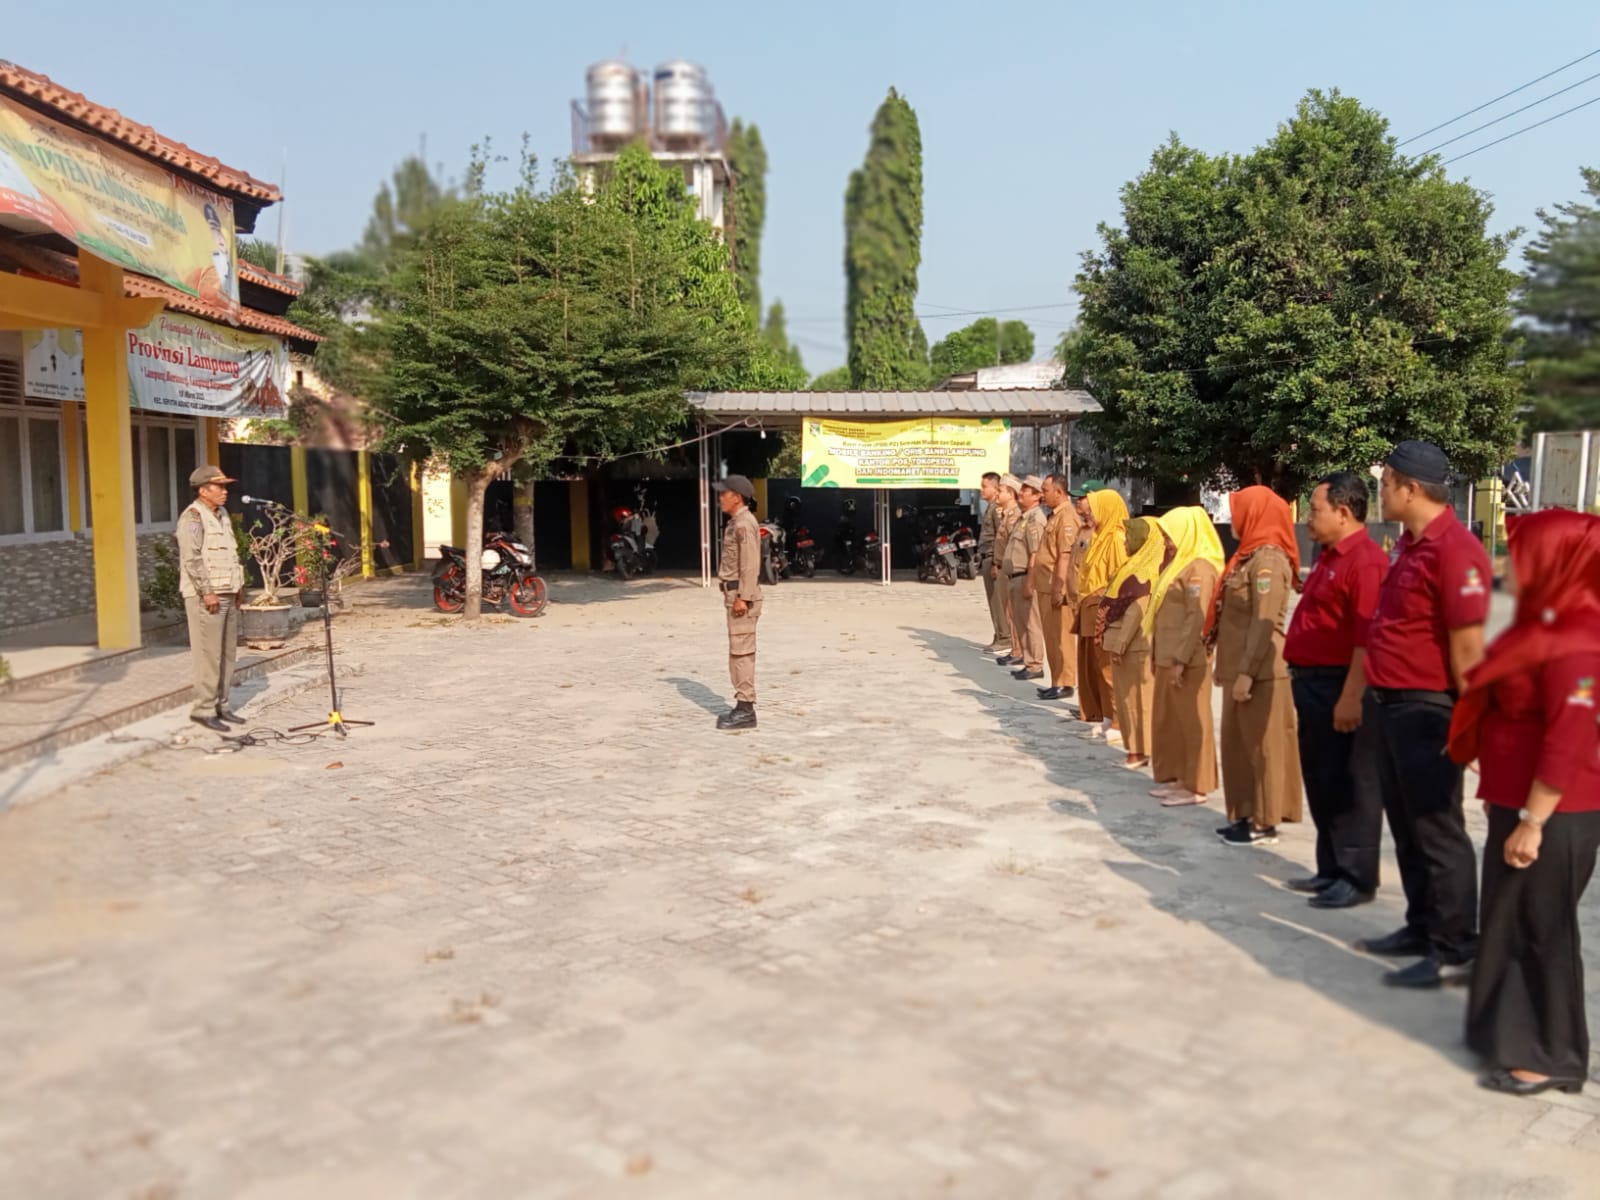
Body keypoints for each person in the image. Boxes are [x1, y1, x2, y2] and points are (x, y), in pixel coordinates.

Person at [1451, 509, 1600, 1097]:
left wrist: (1533, 819)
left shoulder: (1576, 641)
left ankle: (1554, 1053)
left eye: (1520, 554)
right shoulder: (1542, 625)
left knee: (1544, 927)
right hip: (1520, 802)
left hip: (1557, 813)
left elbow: (1571, 732)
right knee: (1513, 919)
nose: (1505, 565)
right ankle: (1510, 1033)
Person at [1353, 441, 1490, 989]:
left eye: (1384, 484)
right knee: (1406, 825)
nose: (1380, 493)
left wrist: (1471, 724)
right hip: (1391, 705)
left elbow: (1468, 650)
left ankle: (1456, 944)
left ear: (1410, 488)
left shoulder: (1456, 551)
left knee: (1437, 829)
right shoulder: (1410, 545)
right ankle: (1421, 923)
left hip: (1428, 709)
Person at [1283, 472, 1390, 908]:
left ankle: (1357, 876)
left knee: (1353, 785)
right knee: (1322, 779)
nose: (1309, 518)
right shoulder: (1329, 555)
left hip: (1341, 684)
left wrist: (1351, 696)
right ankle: (1330, 867)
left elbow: (1367, 638)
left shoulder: (1365, 562)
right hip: (1311, 683)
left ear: (1344, 513)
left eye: (1316, 509)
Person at [1211, 486, 1303, 847]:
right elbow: (1230, 621)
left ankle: (1265, 821)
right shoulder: (1247, 558)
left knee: (1264, 748)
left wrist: (1247, 672)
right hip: (1239, 669)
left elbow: (1266, 621)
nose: (1232, 519)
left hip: (1261, 672)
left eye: (1238, 511)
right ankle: (1246, 813)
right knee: (1239, 747)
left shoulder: (1268, 560)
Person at [1148, 506, 1225, 807]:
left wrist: (1180, 659)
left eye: (1171, 536)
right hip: (1169, 657)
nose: (1167, 542)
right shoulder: (1180, 565)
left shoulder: (1200, 569)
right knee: (1175, 722)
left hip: (1187, 660)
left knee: (1194, 722)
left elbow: (1197, 619)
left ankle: (1197, 785)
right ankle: (1180, 778)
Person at [176, 465, 246, 733]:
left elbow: (230, 553)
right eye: (220, 487)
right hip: (207, 596)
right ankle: (203, 709)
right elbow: (192, 559)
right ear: (204, 490)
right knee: (209, 655)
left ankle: (222, 705)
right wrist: (207, 591)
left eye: (226, 486)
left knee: (228, 653)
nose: (225, 492)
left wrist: (238, 587)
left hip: (227, 590)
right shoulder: (193, 518)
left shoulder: (222, 514)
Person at [1098, 517, 1170, 768]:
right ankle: (1135, 750)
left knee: (1139, 701)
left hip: (1135, 645)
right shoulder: (1133, 565)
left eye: (1130, 537)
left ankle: (1141, 752)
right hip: (1125, 643)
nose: (1126, 542)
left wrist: (1119, 645)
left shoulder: (1147, 571)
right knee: (1127, 699)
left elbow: (1136, 612)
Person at [1076, 489, 1129, 743]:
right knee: (1096, 667)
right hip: (1090, 605)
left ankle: (1118, 721)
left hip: (1105, 608)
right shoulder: (1099, 536)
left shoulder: (1117, 539)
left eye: (1095, 509)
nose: (1090, 514)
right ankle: (1106, 716)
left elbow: (1119, 579)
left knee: (1109, 668)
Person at [714, 474, 763, 731]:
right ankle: (743, 705)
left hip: (740, 598)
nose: (720, 497)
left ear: (737, 496)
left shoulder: (744, 523)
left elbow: (750, 564)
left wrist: (743, 597)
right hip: (734, 596)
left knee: (742, 652)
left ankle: (746, 709)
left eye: (724, 493)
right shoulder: (736, 522)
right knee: (737, 651)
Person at [1033, 474, 1081, 701]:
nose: (1042, 495)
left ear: (1059, 492)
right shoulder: (1054, 516)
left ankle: (1066, 682)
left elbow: (1065, 555)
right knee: (1052, 637)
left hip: (1055, 587)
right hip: (1045, 585)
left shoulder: (1067, 517)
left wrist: (1059, 589)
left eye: (1045, 490)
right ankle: (1056, 680)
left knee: (1062, 638)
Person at [1003, 476, 1048, 681]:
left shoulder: (1035, 519)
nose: (1021, 493)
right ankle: (1028, 660)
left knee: (1031, 623)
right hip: (1015, 576)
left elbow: (1035, 553)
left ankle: (1035, 664)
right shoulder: (1024, 517)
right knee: (1020, 622)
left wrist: (1030, 582)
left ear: (1038, 496)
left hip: (1024, 576)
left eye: (1026, 491)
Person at [976, 472, 1011, 652]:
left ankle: (1005, 637)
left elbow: (1001, 537)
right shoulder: (990, 507)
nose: (981, 490)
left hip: (993, 558)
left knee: (997, 600)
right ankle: (998, 634)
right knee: (992, 600)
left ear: (995, 488)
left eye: (984, 487)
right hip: (987, 557)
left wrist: (997, 563)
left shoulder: (997, 510)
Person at [991, 476, 1023, 667]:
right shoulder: (1005, 514)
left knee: (1015, 612)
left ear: (1011, 493)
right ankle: (1016, 648)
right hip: (1003, 567)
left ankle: (1020, 650)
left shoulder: (1016, 515)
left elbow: (1015, 545)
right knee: (1009, 612)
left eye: (1001, 490)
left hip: (1012, 569)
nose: (997, 493)